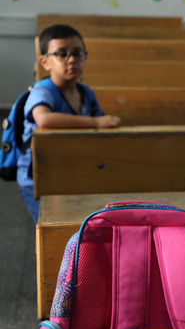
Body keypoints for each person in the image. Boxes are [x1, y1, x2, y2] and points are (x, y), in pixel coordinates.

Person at [19, 24, 120, 222]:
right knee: (49, 225)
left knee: (75, 223)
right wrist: (95, 122)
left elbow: (102, 127)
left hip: (70, 168)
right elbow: (44, 119)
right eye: (61, 54)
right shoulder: (43, 90)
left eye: (77, 53)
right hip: (37, 176)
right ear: (45, 62)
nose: (71, 59)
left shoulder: (85, 93)